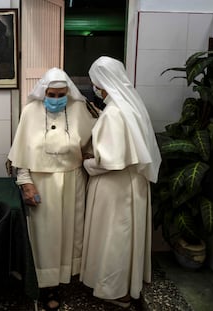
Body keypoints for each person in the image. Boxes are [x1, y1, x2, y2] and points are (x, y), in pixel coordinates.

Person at [8, 68, 96, 310]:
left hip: (72, 182)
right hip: (41, 184)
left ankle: (61, 282)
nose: (56, 99)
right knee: (44, 237)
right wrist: (25, 183)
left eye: (61, 94)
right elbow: (20, 155)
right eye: (51, 94)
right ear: (43, 92)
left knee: (69, 234)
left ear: (68, 92)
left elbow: (95, 140)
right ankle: (45, 286)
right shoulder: (30, 112)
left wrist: (90, 154)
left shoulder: (80, 110)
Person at [79, 56, 162, 308]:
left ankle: (116, 291)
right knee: (126, 236)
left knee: (114, 239)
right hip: (132, 183)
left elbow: (109, 161)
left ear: (102, 83)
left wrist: (86, 162)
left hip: (115, 187)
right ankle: (126, 285)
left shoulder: (114, 113)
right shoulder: (131, 106)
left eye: (95, 83)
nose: (95, 88)